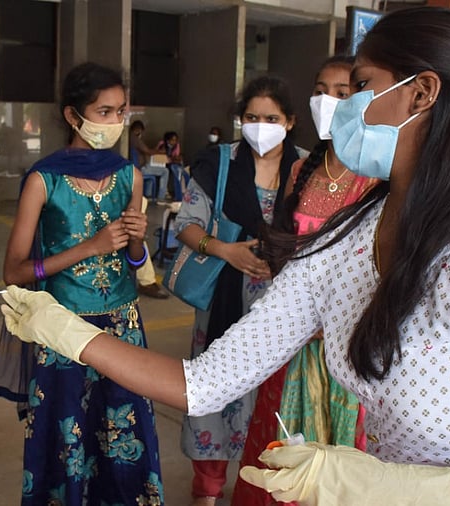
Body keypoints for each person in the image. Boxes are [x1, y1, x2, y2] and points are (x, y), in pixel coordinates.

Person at [2, 7, 450, 505]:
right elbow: (208, 381)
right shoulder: (354, 235)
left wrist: (394, 486)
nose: (343, 108)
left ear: (423, 92)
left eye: (361, 86)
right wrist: (69, 332)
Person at [1, 62, 163, 505]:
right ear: (74, 117)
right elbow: (14, 271)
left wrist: (137, 240)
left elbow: (134, 262)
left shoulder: (129, 175)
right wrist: (88, 248)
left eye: (120, 112)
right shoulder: (44, 179)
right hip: (63, 332)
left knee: (123, 435)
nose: (115, 123)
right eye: (104, 112)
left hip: (123, 326)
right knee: (69, 439)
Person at [232, 56, 378, 506]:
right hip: (292, 336)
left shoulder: (378, 176)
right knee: (280, 445)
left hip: (345, 342)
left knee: (335, 458)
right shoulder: (301, 170)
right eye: (321, 90)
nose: (328, 101)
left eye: (342, 92)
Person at [174, 75, 308, 505]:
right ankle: (208, 491)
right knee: (215, 393)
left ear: (290, 122)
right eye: (252, 117)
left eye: (271, 117)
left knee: (271, 405)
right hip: (224, 303)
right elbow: (187, 225)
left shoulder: (308, 169)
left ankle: (260, 490)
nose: (260, 125)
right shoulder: (220, 163)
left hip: (285, 310)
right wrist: (225, 250)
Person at [130, 119, 170, 201]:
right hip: (140, 168)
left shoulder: (130, 138)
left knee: (150, 170)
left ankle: (148, 195)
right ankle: (161, 197)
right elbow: (147, 151)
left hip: (137, 167)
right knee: (165, 171)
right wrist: (160, 152)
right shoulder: (136, 139)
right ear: (138, 130)